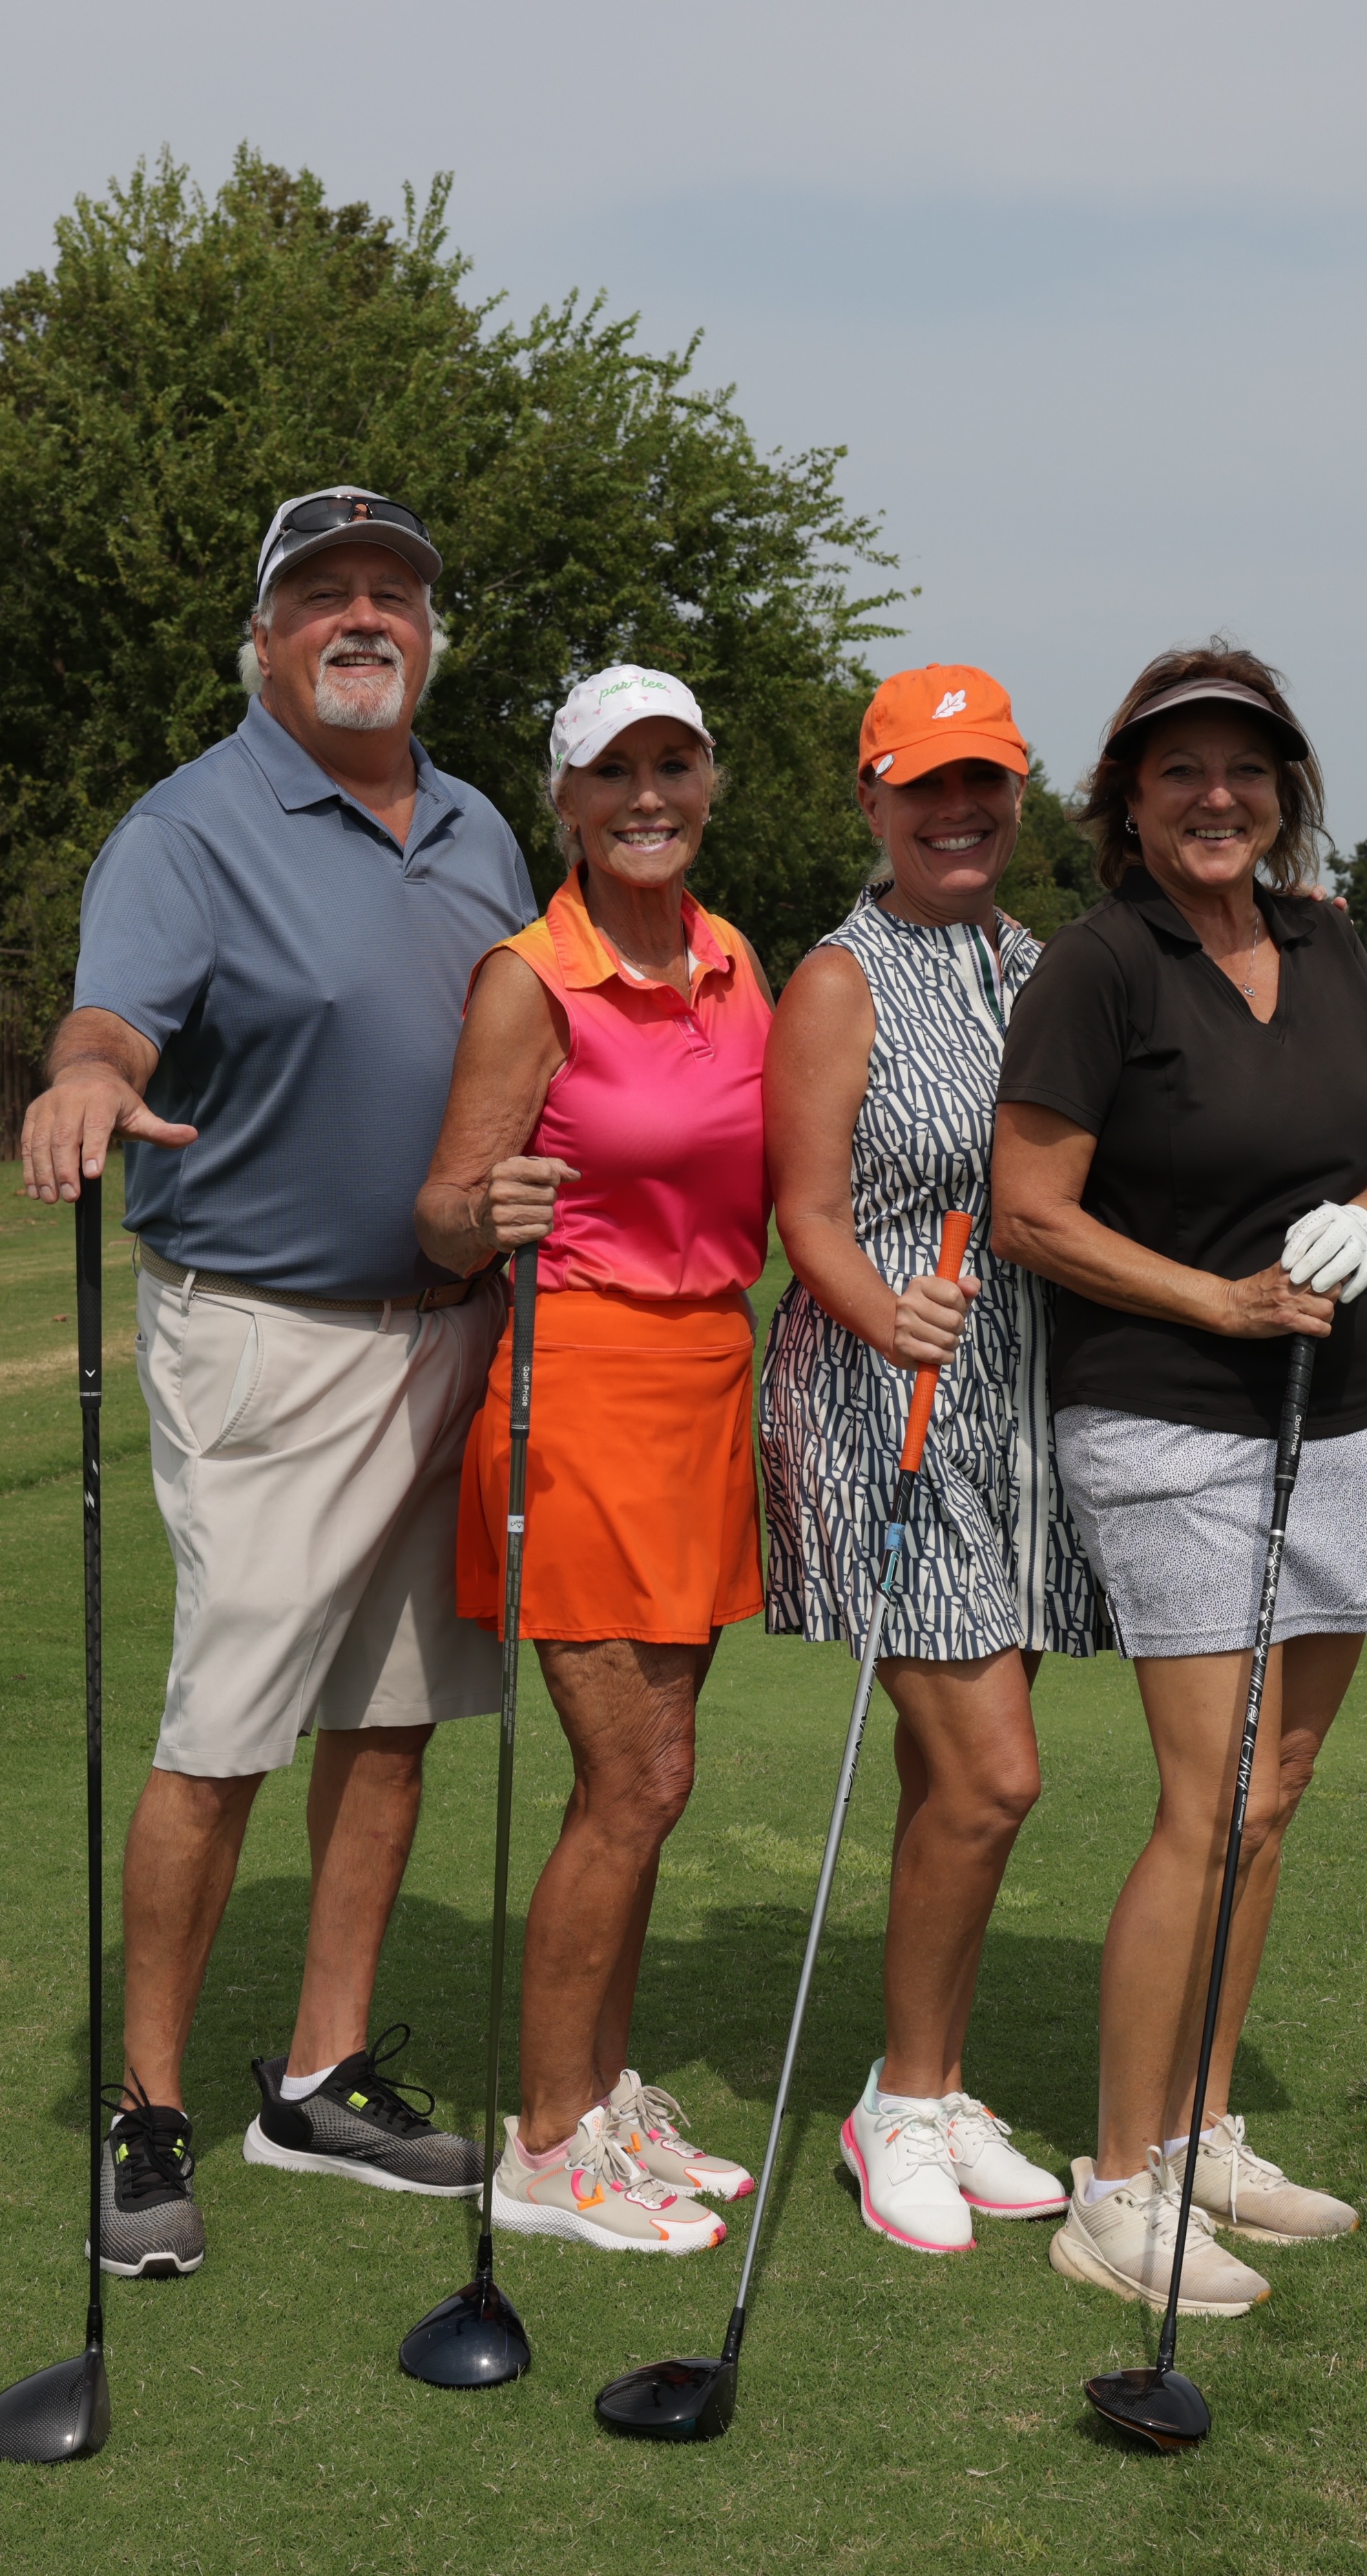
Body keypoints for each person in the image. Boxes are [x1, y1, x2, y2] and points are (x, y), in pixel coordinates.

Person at [19, 487, 532, 2278]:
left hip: (452, 1330)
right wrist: (89, 1074)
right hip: (265, 1333)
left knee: (392, 1715)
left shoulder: (478, 825)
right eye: (323, 593)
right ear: (263, 639)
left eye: (395, 591)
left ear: (431, 633)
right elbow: (115, 1016)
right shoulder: (190, 827)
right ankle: (149, 2107)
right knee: (224, 1730)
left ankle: (318, 2077)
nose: (363, 616)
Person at [990, 643, 1367, 2319]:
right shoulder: (1101, 965)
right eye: (1180, 769)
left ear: (1285, 790)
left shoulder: (1324, 938)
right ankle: (1117, 2185)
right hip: (1171, 1418)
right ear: (1127, 799)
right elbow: (1031, 1211)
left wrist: (1366, 1221)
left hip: (1350, 1405)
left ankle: (1200, 2127)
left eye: (1245, 767)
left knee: (1279, 1789)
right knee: (1213, 1797)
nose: (1217, 795)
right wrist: (1221, 1299)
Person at [412, 664, 774, 2255]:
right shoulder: (530, 979)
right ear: (562, 800)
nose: (647, 796)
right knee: (628, 1778)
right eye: (612, 770)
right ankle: (550, 2146)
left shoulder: (736, 959)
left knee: (660, 1778)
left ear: (709, 784)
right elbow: (443, 1207)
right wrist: (479, 1210)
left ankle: (606, 2095)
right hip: (581, 1388)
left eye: (672, 764)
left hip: (706, 1383)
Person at [757, 664, 1100, 2254]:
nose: (958, 812)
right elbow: (809, 1210)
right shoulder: (843, 977)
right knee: (994, 1772)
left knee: (944, 1776)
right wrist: (882, 1310)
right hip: (875, 1405)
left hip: (1015, 1414)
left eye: (984, 783)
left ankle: (941, 2082)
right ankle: (896, 2101)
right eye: (926, 788)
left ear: (1019, 796)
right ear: (874, 800)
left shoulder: (1040, 966)